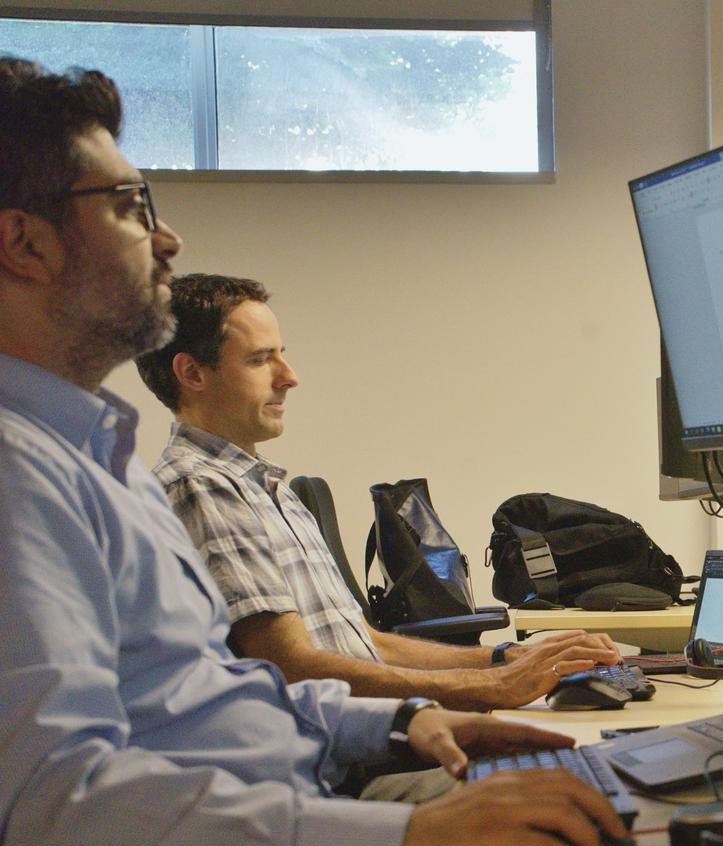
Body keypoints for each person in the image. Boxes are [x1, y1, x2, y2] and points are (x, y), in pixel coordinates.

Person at [0, 58, 623, 846]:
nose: (166, 237)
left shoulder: (100, 459)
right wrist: (400, 844)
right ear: (27, 244)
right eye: (132, 204)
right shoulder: (19, 473)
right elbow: (53, 823)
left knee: (630, 829)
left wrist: (398, 720)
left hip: (274, 832)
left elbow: (210, 701)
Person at [134, 272, 619, 712]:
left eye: (282, 353)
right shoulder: (202, 487)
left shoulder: (265, 486)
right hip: (335, 766)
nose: (290, 376)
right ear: (192, 374)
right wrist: (492, 690)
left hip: (374, 733)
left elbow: (365, 642)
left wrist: (503, 658)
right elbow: (292, 667)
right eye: (261, 359)